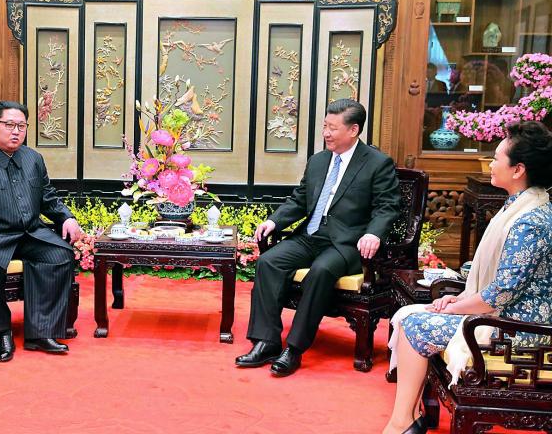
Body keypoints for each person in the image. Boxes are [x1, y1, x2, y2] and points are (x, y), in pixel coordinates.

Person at [383, 121, 552, 434]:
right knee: (411, 313)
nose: (491, 164)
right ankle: (408, 418)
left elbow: (501, 293)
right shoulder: (522, 206)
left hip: (521, 330)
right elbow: (498, 285)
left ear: (518, 170)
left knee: (415, 324)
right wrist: (458, 298)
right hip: (505, 315)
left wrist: (456, 307)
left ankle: (401, 422)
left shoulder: (530, 221)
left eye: (497, 158)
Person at [236, 98, 401, 377]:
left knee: (321, 272)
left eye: (333, 128)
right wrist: (274, 221)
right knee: (269, 262)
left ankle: (295, 349)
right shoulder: (319, 160)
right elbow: (300, 199)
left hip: (345, 242)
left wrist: (373, 233)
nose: (326, 133)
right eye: (325, 126)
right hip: (310, 235)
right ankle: (266, 341)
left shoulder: (377, 163)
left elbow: (388, 206)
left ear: (353, 130)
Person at [0, 100, 83, 362]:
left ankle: (41, 333)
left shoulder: (33, 158)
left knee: (60, 255)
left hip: (31, 233)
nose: (16, 131)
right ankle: (1, 332)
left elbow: (48, 197)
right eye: (9, 124)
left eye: (21, 126)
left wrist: (66, 218)